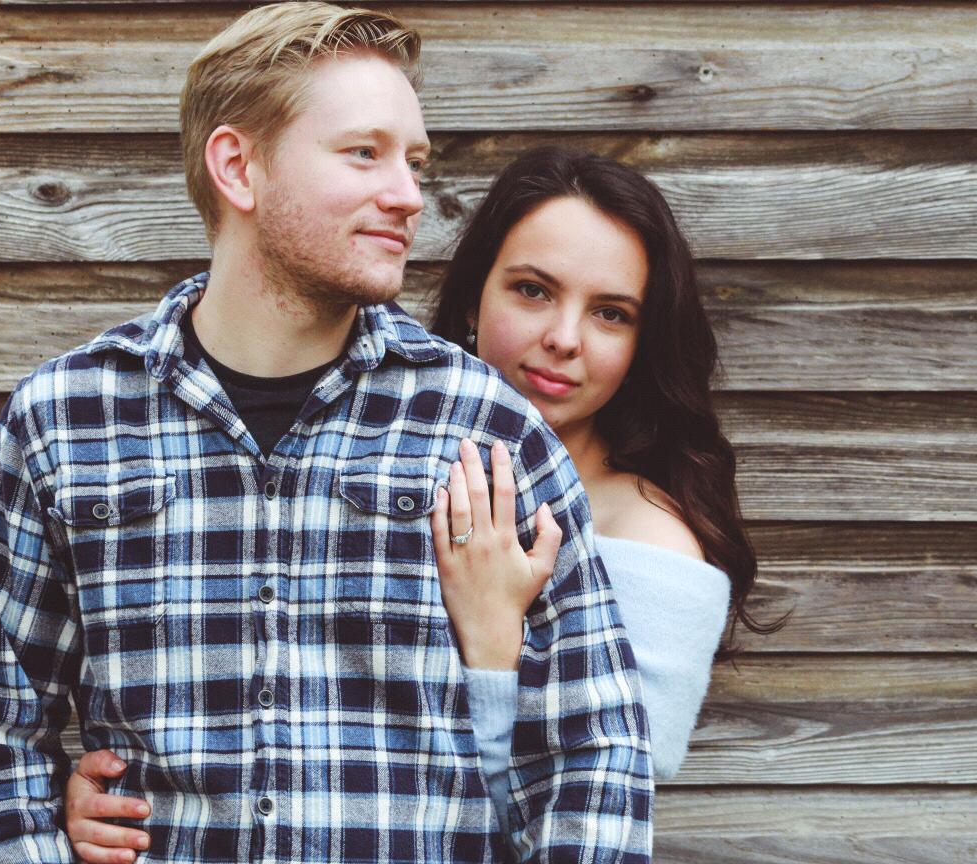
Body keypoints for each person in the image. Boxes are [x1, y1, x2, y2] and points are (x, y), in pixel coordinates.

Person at [0, 5, 653, 863]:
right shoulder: (66, 419)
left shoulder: (485, 429)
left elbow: (591, 753)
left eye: (415, 162)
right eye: (365, 153)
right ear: (239, 167)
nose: (408, 196)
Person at [62, 148, 784, 861]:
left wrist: (494, 639)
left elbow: (591, 813)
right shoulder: (368, 453)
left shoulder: (652, 547)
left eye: (611, 314)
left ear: (643, 342)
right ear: (475, 297)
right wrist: (120, 791)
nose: (564, 339)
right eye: (533, 291)